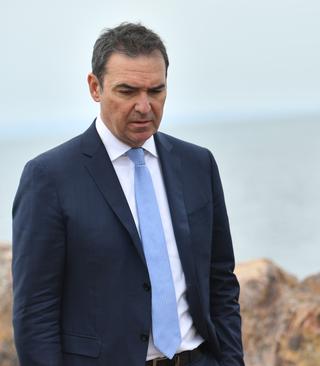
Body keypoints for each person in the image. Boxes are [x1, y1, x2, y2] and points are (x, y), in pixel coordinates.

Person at [12, 23, 243, 366]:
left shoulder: (198, 164)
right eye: (127, 91)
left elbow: (221, 281)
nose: (144, 106)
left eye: (156, 91)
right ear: (95, 87)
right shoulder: (49, 177)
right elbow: (36, 312)